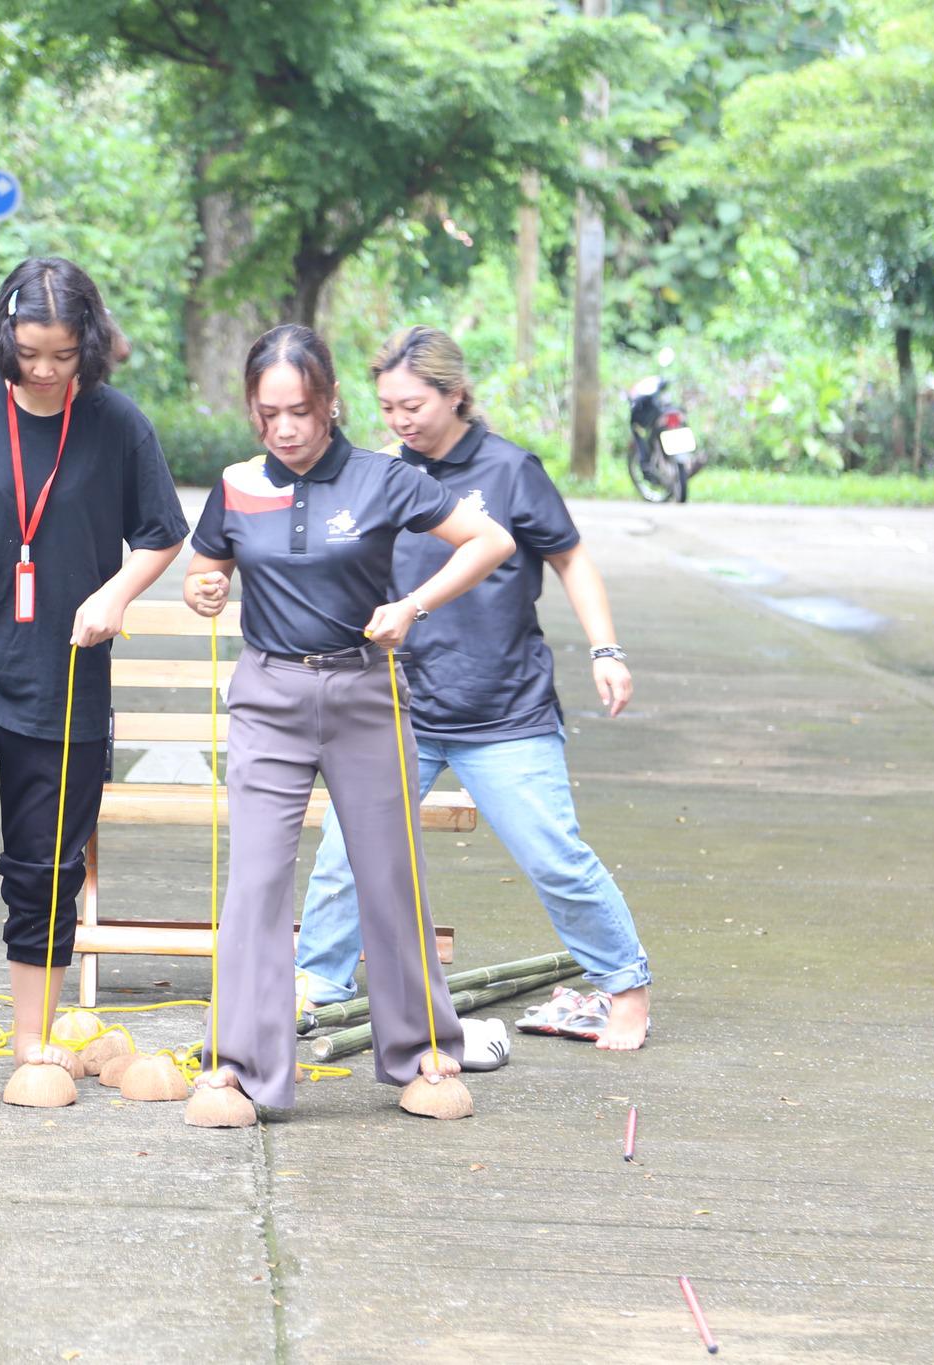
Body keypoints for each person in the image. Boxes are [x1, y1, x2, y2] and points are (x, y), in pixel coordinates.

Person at [184, 324, 515, 1112]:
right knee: (257, 882)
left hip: (366, 694)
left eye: (300, 409)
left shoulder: (382, 479)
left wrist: (413, 603)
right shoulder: (237, 484)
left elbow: (491, 539)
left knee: (390, 877)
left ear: (330, 401)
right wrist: (205, 587)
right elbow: (209, 562)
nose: (286, 429)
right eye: (268, 414)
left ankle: (421, 1054)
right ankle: (239, 1062)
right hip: (269, 697)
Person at [294, 326, 654, 1051]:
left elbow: (572, 560)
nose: (399, 420)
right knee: (345, 851)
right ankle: (318, 988)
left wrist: (606, 649)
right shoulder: (381, 473)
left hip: (505, 710)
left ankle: (625, 987)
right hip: (400, 705)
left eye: (413, 405)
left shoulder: (511, 469)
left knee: (553, 853)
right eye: (387, 407)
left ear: (455, 394)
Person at [0, 257, 187, 1080]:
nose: (46, 371)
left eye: (63, 354)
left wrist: (117, 592)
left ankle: (31, 1034)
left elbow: (163, 530)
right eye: (29, 353)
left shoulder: (117, 423)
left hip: (65, 671)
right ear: (3, 340)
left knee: (46, 857)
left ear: (88, 343)